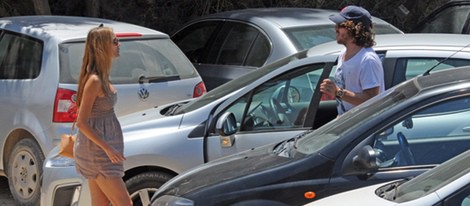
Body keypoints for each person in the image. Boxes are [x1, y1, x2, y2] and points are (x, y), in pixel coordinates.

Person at [74, 24, 132, 206]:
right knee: (125, 203)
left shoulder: (102, 77)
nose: (119, 44)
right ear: (102, 47)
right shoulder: (94, 80)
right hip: (97, 153)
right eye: (115, 41)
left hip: (100, 150)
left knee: (100, 203)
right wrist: (108, 148)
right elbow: (81, 122)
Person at [320, 5, 385, 116]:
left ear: (354, 29)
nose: (335, 29)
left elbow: (372, 99)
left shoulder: (367, 60)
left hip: (366, 129)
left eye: (340, 25)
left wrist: (338, 92)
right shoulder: (343, 55)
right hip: (348, 126)